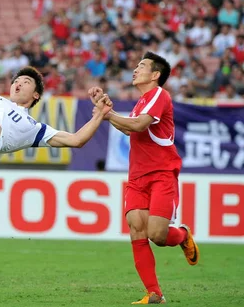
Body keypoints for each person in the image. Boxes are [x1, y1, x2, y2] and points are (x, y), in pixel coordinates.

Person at [88, 51, 199, 305]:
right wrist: (107, 110)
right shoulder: (141, 102)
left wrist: (107, 114)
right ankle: (154, 293)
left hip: (161, 174)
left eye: (141, 65)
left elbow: (137, 126)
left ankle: (182, 235)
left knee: (158, 236)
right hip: (137, 176)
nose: (135, 69)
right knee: (136, 230)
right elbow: (129, 128)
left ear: (155, 75)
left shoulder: (159, 95)